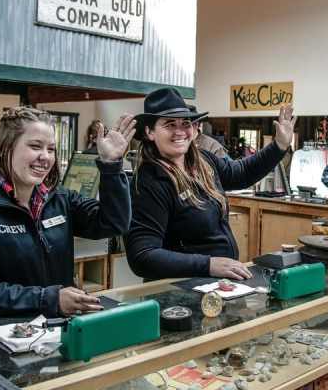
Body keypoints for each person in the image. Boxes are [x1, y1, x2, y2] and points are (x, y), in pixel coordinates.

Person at [0, 107, 135, 316]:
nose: (45, 157)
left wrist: (111, 166)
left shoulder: (60, 199)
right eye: (35, 146)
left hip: (59, 330)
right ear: (6, 148)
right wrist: (49, 299)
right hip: (3, 334)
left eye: (51, 149)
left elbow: (114, 223)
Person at [125, 88, 295, 280]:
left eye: (185, 123)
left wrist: (279, 145)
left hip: (213, 285)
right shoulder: (150, 181)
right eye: (170, 124)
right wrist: (208, 265)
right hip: (177, 291)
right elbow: (142, 256)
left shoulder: (203, 161)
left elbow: (242, 173)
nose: (180, 131)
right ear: (149, 132)